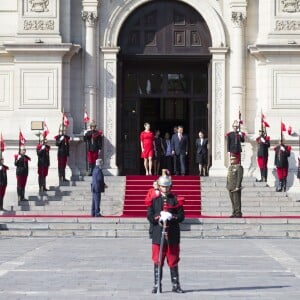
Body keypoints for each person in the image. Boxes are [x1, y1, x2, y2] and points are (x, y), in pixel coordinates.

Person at [147, 171, 185, 294]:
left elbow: (181, 216)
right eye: (163, 186)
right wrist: (159, 216)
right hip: (158, 234)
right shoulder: (154, 200)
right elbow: (150, 216)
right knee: (158, 259)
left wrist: (171, 216)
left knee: (173, 259)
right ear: (159, 186)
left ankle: (175, 284)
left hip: (172, 234)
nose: (165, 188)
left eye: (167, 186)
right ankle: (157, 285)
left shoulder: (175, 199)